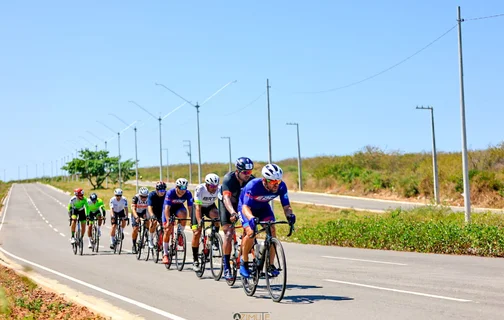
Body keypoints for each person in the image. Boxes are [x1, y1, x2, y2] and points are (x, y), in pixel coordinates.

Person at [237, 164, 296, 278]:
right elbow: (245, 208)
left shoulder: (281, 186)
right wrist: (251, 218)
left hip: (263, 208)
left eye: (278, 182)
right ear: (265, 180)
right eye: (273, 182)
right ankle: (243, 262)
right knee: (251, 232)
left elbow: (286, 206)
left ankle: (270, 265)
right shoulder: (253, 186)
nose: (276, 185)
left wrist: (290, 215)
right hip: (246, 208)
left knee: (272, 229)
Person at [217, 157, 255, 280]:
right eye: (244, 172)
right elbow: (226, 199)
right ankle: (226, 265)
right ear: (237, 171)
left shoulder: (251, 180)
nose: (247, 175)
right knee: (228, 233)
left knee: (251, 231)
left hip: (242, 204)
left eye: (249, 172)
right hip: (227, 204)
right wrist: (233, 213)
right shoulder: (229, 179)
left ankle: (247, 259)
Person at [191, 173, 220, 271]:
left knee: (217, 218)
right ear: (207, 185)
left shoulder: (219, 189)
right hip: (198, 207)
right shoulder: (200, 189)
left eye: (215, 186)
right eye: (212, 186)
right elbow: (198, 208)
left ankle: (214, 238)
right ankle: (195, 260)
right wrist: (199, 221)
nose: (214, 188)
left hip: (210, 206)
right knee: (197, 232)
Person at [161, 178, 193, 264]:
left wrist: (192, 219)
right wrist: (168, 221)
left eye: (185, 188)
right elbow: (167, 208)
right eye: (181, 188)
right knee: (167, 230)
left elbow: (190, 208)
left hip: (179, 208)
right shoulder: (170, 193)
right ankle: (165, 254)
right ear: (177, 187)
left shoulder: (188, 193)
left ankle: (179, 235)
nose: (183, 190)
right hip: (168, 209)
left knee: (183, 214)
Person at [147, 181, 167, 249]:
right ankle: (150, 239)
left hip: (162, 211)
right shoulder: (152, 195)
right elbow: (149, 206)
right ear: (156, 190)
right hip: (153, 211)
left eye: (163, 190)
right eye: (160, 190)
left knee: (165, 226)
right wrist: (152, 215)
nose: (162, 192)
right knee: (154, 222)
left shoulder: (166, 195)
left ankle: (162, 242)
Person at [131, 187, 150, 254]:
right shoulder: (135, 198)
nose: (144, 198)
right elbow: (133, 209)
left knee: (148, 222)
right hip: (136, 212)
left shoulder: (149, 198)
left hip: (144, 212)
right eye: (142, 197)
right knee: (135, 229)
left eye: (145, 197)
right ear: (139, 195)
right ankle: (134, 245)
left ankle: (146, 234)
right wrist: (136, 217)